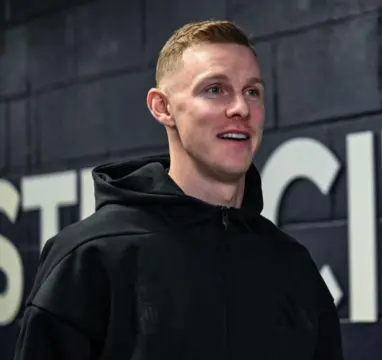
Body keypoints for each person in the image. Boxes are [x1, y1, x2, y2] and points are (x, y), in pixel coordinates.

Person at [13, 20, 344, 360]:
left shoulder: (292, 265)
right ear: (163, 107)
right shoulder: (89, 256)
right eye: (215, 89)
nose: (241, 108)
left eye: (252, 91)